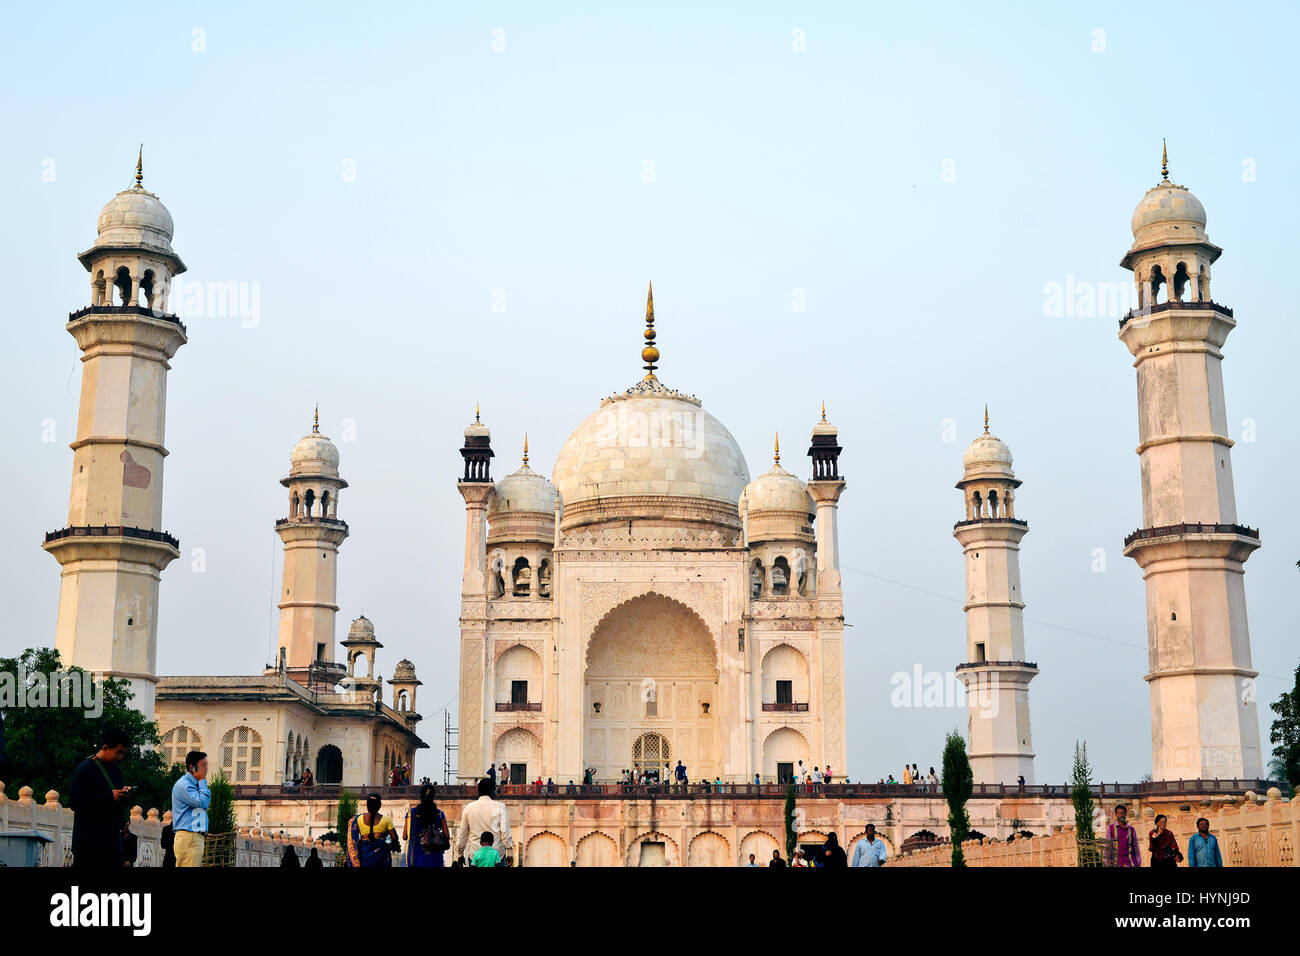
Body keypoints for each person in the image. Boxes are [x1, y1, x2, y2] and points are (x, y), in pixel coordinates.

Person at [68, 727, 132, 869]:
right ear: (105, 748)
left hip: (111, 845)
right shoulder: (86, 769)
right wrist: (109, 796)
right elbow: (75, 802)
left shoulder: (115, 771)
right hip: (89, 845)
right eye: (118, 752)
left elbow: (114, 801)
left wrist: (124, 794)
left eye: (123, 753)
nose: (120, 757)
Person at [455, 777, 514, 866]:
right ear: (492, 791)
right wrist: (509, 852)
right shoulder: (500, 807)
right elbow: (505, 832)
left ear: (479, 791)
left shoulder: (469, 808)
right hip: (496, 856)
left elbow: (462, 834)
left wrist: (460, 853)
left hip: (475, 855)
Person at [171, 749, 211, 868]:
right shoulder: (184, 785)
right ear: (192, 767)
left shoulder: (194, 784)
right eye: (203, 765)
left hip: (193, 838)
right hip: (189, 837)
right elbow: (203, 803)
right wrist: (203, 781)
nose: (206, 768)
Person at [346, 793, 401, 867]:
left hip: (364, 858)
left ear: (367, 805)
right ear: (379, 805)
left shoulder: (358, 819)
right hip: (381, 859)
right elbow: (394, 838)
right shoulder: (386, 820)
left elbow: (353, 840)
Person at [404, 782, 450, 868]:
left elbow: (405, 836)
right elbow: (446, 835)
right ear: (433, 797)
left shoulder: (411, 813)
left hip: (417, 855)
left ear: (420, 796)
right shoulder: (439, 814)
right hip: (435, 856)